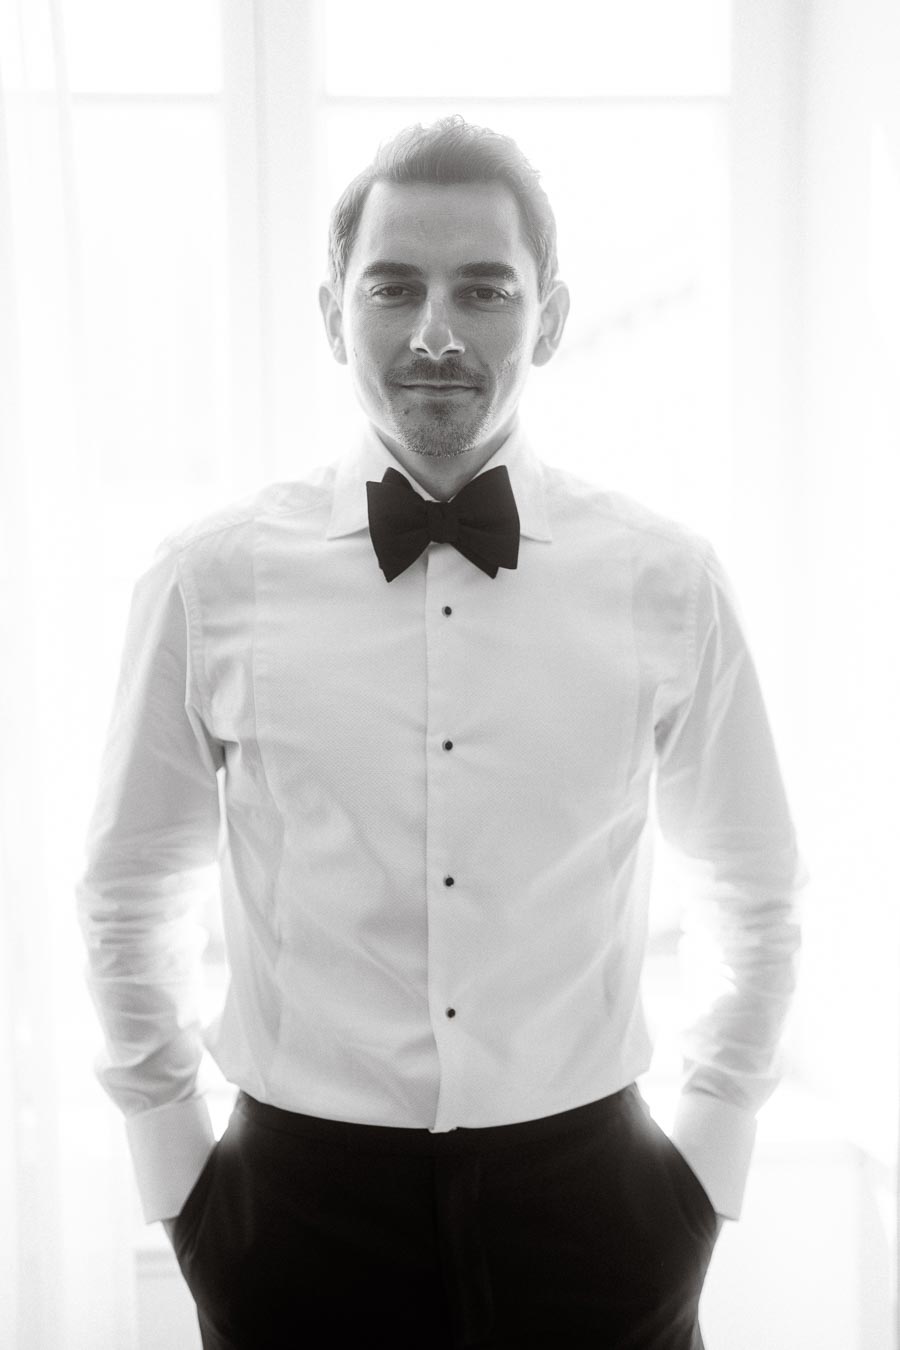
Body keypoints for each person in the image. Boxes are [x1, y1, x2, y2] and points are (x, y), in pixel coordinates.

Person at [76, 115, 806, 1350]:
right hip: (293, 1220)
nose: (435, 332)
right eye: (393, 286)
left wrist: (700, 1172)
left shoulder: (667, 580)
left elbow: (757, 890)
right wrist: (186, 1188)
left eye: (485, 290)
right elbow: (125, 894)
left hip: (600, 1211)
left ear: (552, 318)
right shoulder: (207, 582)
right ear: (331, 313)